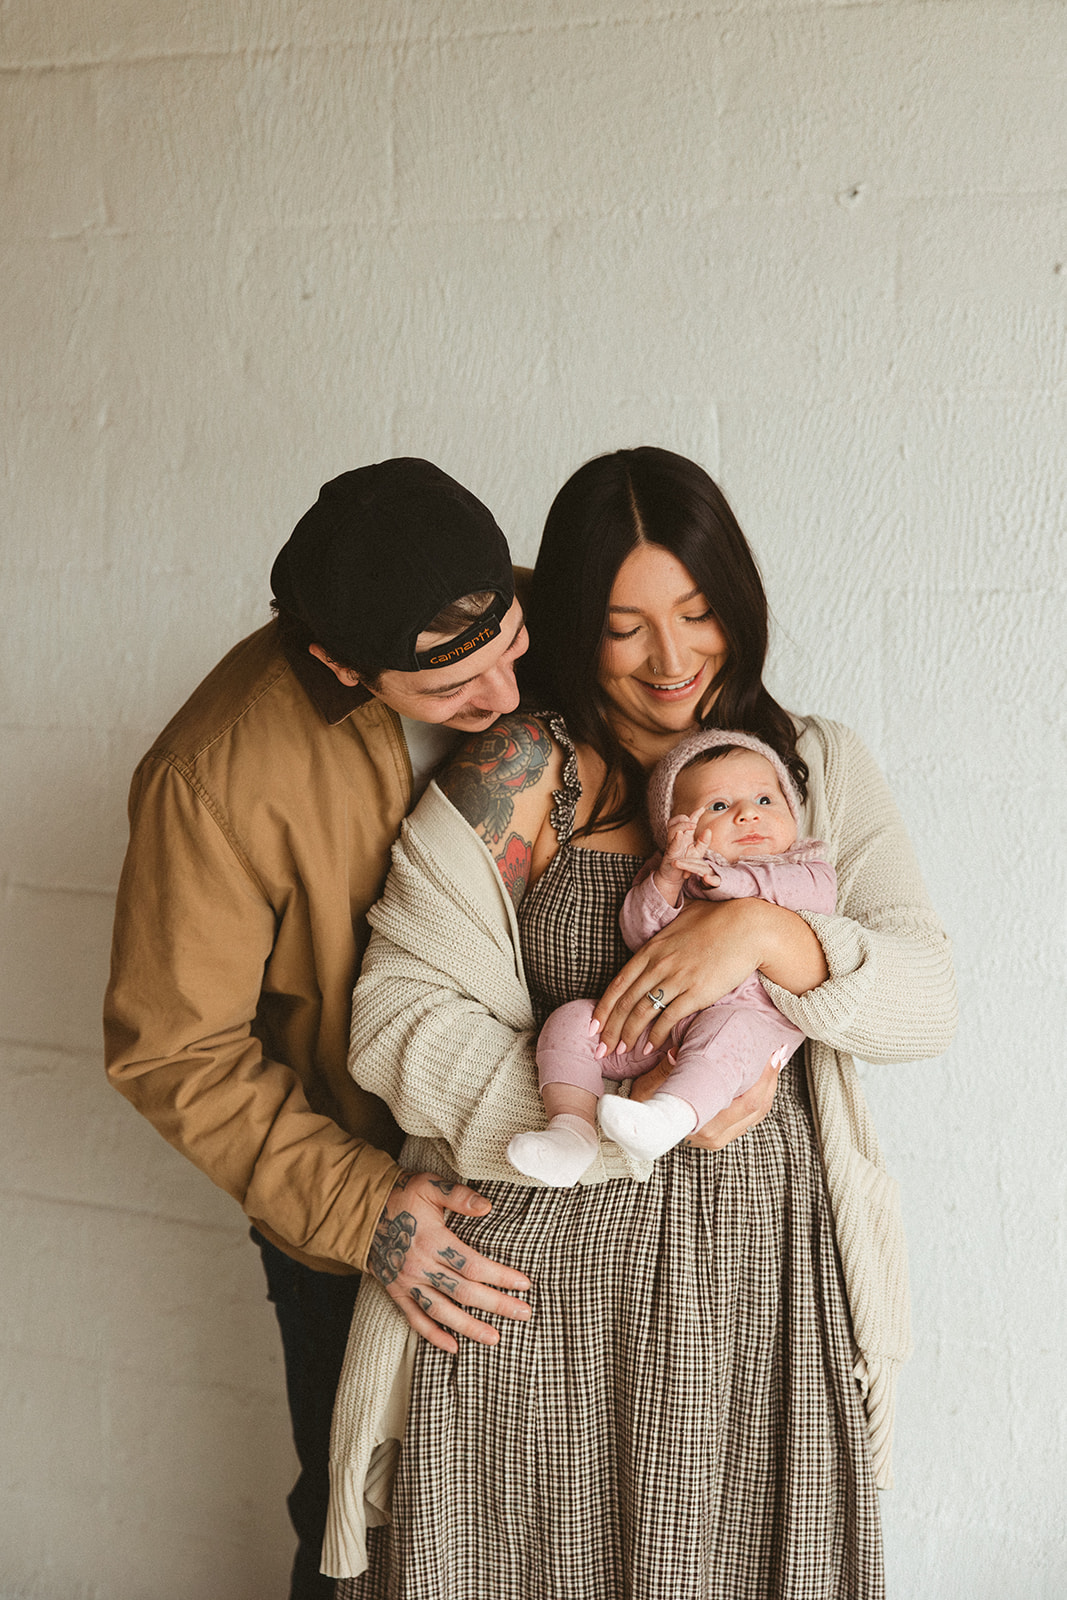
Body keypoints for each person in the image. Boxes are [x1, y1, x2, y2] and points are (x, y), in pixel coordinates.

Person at [324, 446, 957, 1598]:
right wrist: (623, 1113)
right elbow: (396, 1016)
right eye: (624, 628)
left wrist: (761, 936)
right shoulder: (523, 773)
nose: (671, 660)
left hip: (754, 1303)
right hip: (530, 1300)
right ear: (574, 622)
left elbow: (925, 998)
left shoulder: (810, 769)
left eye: (697, 612)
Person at [103, 459, 534, 1600]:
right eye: (454, 686)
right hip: (366, 1222)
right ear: (341, 665)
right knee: (362, 1538)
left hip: (554, 1179)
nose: (503, 697)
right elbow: (175, 1051)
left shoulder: (547, 615)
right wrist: (363, 1212)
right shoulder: (211, 775)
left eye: (513, 647)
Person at [507, 729, 837, 1185]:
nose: (747, 814)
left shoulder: (806, 867)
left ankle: (668, 1118)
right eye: (718, 806)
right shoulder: (678, 873)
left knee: (726, 1031)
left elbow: (811, 897)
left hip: (747, 1031)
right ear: (675, 828)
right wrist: (666, 879)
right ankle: (571, 1131)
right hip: (656, 1030)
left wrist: (730, 883)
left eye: (765, 799)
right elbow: (641, 933)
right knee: (573, 1022)